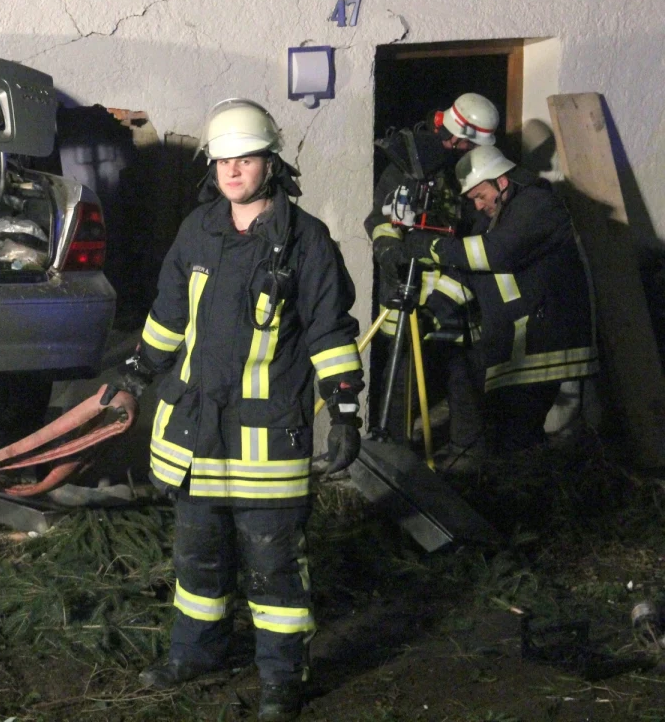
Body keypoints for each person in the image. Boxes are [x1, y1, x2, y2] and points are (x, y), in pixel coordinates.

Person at [104, 98, 363, 721]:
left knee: (274, 569)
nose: (233, 170)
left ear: (271, 163)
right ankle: (196, 654)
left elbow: (329, 332)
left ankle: (282, 678)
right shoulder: (198, 231)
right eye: (223, 160)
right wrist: (137, 374)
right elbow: (168, 315)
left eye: (245, 158)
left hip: (266, 441)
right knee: (197, 561)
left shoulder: (307, 242)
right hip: (197, 434)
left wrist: (345, 409)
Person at [402, 145, 599, 454]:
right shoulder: (495, 217)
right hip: (516, 344)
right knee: (507, 436)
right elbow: (467, 273)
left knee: (520, 438)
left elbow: (497, 253)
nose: (478, 206)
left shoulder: (537, 205)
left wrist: (432, 247)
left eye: (480, 195)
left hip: (545, 345)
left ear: (502, 182)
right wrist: (430, 314)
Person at [363, 92, 500, 454]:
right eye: (468, 143)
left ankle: (468, 455)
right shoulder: (408, 163)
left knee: (464, 374)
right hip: (405, 288)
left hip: (455, 291)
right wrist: (388, 249)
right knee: (399, 376)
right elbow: (381, 218)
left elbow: (481, 236)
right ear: (457, 134)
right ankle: (394, 454)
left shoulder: (478, 172)